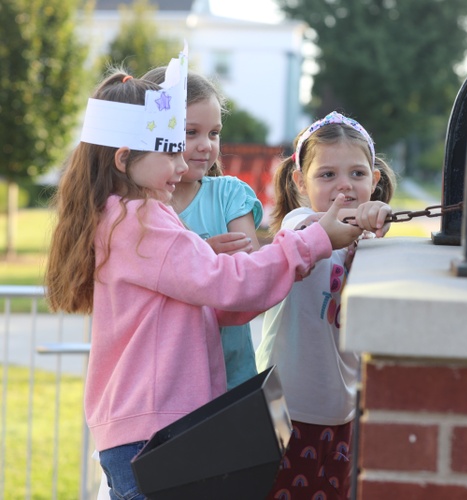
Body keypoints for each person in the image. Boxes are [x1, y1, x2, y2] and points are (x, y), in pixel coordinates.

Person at [44, 45, 372, 499]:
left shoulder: (117, 218)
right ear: (124, 160)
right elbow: (226, 286)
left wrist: (232, 269)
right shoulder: (143, 219)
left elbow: (214, 300)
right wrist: (313, 241)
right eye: (170, 153)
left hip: (144, 426)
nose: (183, 166)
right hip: (157, 429)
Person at [256, 111, 396, 500]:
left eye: (356, 174)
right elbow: (308, 233)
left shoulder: (370, 241)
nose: (344, 187)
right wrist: (356, 221)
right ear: (300, 181)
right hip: (285, 411)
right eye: (327, 175)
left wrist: (375, 224)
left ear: (375, 180)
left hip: (341, 411)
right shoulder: (299, 225)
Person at [143, 67, 261, 390]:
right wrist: (205, 257)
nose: (206, 145)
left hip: (233, 382)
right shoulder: (140, 210)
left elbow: (250, 278)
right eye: (190, 132)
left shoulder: (230, 195)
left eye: (214, 133)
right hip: (168, 386)